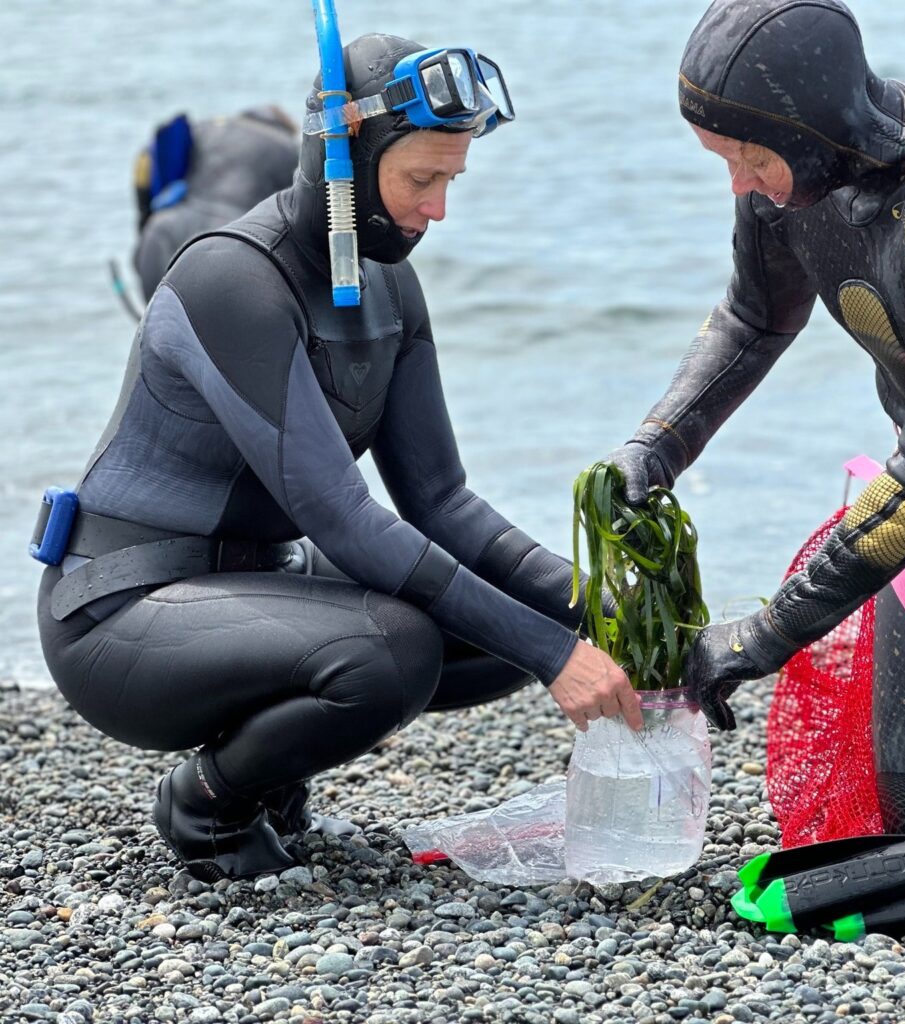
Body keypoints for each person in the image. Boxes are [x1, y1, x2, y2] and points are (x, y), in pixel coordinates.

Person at [36, 33, 641, 881]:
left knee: (499, 620)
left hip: (253, 582)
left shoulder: (391, 285)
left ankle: (277, 779)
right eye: (421, 180)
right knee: (394, 647)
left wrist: (601, 609)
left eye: (450, 181)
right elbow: (344, 519)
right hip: (120, 612)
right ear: (341, 163)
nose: (438, 210)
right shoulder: (232, 281)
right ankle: (207, 806)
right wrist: (557, 659)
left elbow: (444, 502)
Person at [606, 0, 905, 833]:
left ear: (817, 130)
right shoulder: (791, 183)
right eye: (722, 159)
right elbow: (754, 318)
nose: (739, 184)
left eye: (750, 158)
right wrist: (654, 446)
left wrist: (760, 636)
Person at [132, 106, 299, 300]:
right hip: (232, 243)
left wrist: (145, 222)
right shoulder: (290, 149)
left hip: (162, 231)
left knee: (158, 319)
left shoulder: (205, 128)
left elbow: (147, 162)